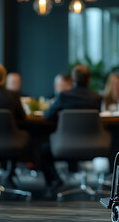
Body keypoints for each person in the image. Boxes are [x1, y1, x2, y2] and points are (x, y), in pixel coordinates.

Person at [41, 65, 102, 193]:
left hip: (66, 144)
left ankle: (55, 180)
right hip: (93, 143)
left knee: (43, 150)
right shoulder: (96, 98)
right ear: (89, 80)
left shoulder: (64, 96)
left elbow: (47, 116)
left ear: (73, 80)